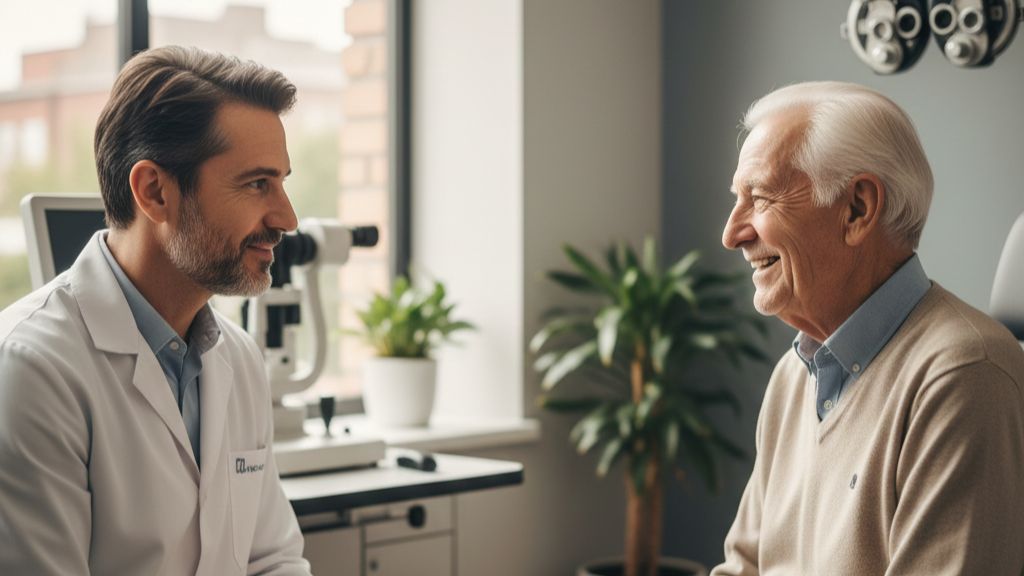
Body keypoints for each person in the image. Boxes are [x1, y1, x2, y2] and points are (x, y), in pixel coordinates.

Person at [0, 46, 311, 575]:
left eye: (282, 182)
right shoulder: (30, 369)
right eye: (258, 184)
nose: (287, 217)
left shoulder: (236, 358)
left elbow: (272, 559)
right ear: (154, 191)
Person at [713, 81, 1024, 575]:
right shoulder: (793, 377)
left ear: (857, 208)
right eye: (737, 200)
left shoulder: (962, 378)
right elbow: (744, 567)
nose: (732, 233)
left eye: (761, 198)